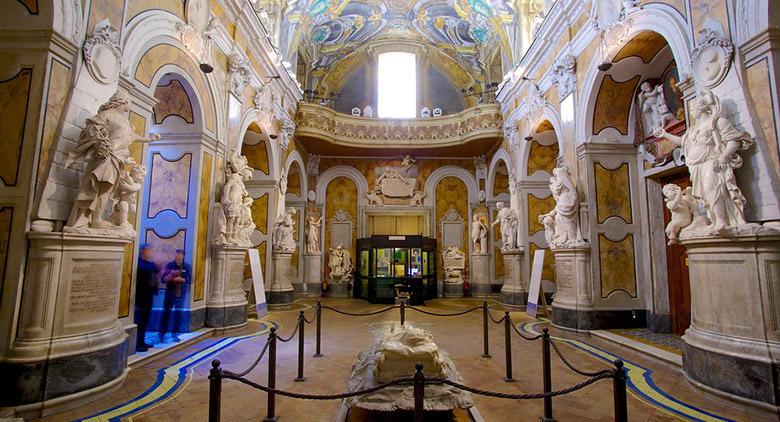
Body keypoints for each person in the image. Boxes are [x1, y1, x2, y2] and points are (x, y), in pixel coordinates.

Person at [159, 249, 191, 343]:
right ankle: (162, 333)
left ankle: (175, 334)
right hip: (170, 294)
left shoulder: (188, 267)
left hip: (180, 295)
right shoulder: (170, 265)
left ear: (183, 256)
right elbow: (163, 280)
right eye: (176, 254)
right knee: (166, 314)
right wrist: (170, 277)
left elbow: (189, 280)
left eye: (180, 255)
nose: (178, 256)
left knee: (178, 314)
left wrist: (182, 280)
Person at [135, 244, 159, 352]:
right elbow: (148, 270)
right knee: (140, 321)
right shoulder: (139, 264)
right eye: (150, 251)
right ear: (143, 251)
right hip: (141, 296)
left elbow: (155, 271)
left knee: (144, 321)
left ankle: (142, 341)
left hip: (148, 295)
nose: (151, 253)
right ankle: (138, 343)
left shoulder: (150, 264)